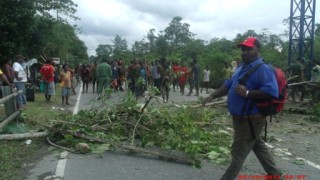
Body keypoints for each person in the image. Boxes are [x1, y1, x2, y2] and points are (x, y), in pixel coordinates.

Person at [203, 37, 282, 179]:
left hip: (249, 119)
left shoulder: (263, 69)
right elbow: (228, 85)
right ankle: (275, 175)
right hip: (242, 119)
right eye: (243, 49)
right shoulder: (242, 67)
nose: (244, 52)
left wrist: (247, 93)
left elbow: (272, 91)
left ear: (258, 50)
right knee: (257, 145)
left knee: (238, 154)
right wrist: (213, 96)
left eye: (249, 49)